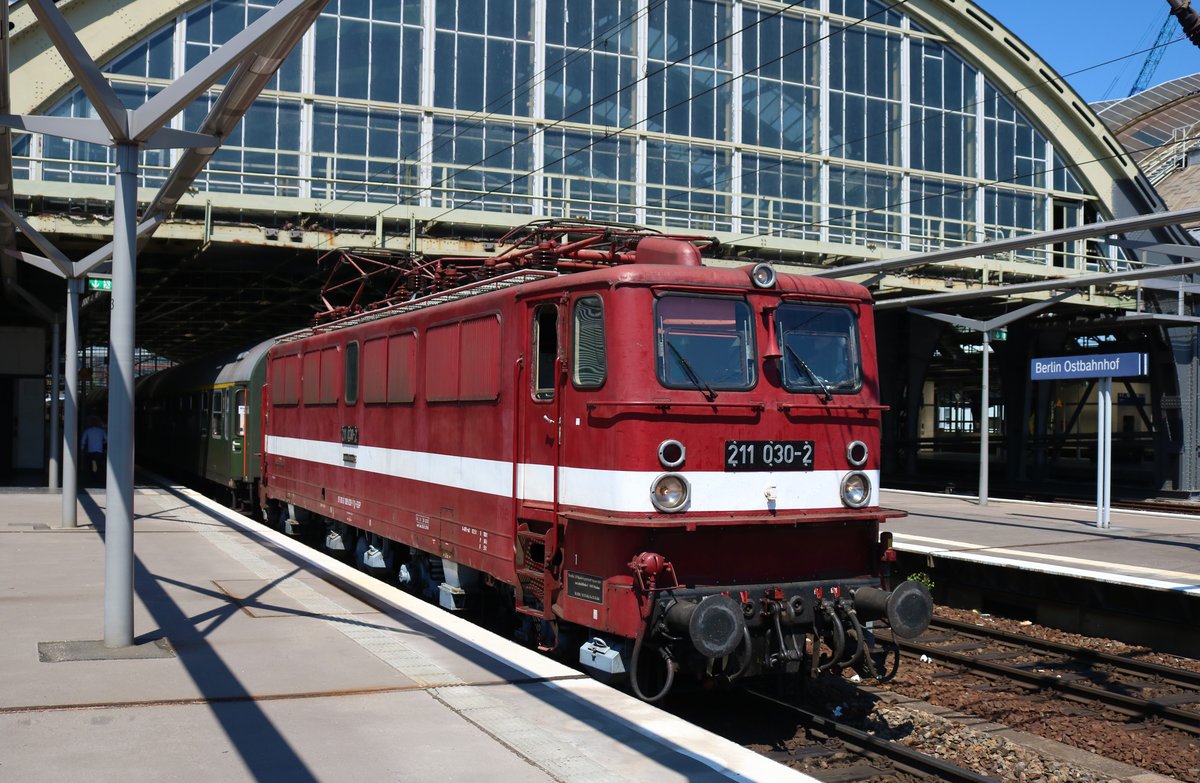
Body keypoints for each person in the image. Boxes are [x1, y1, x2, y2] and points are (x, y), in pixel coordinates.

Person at [80, 416, 107, 487]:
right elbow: (106, 440)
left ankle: (92, 480)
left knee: (89, 466)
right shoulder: (101, 431)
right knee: (100, 466)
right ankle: (99, 480)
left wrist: (82, 448)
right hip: (99, 450)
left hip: (90, 450)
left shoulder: (88, 431)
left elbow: (83, 440)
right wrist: (103, 443)